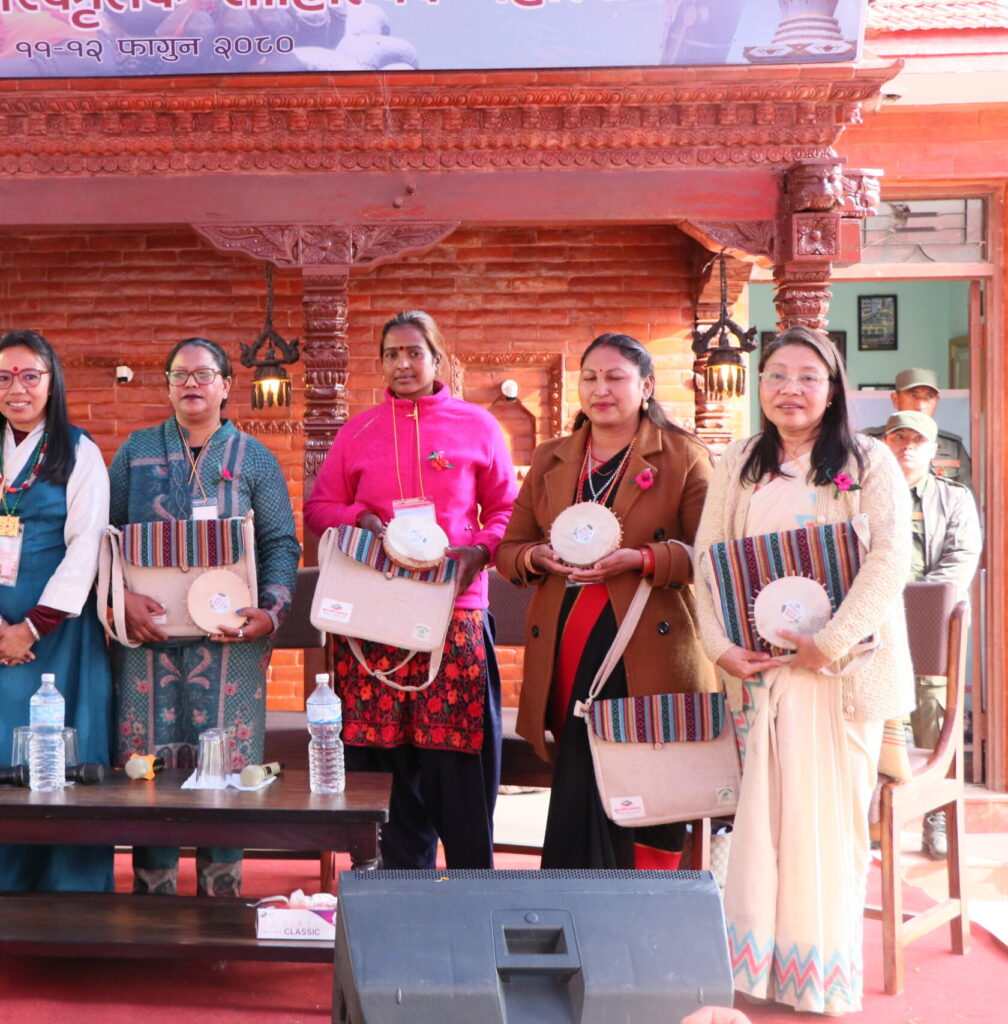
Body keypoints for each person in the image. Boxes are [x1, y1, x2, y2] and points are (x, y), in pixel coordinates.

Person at [694, 326, 913, 1016]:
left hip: (839, 678)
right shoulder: (739, 461)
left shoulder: (869, 460)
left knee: (825, 830)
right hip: (758, 676)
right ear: (760, 386)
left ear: (834, 389)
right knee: (761, 828)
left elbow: (890, 560)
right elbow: (706, 558)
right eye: (777, 375)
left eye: (808, 377)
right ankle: (757, 970)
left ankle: (818, 978)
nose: (790, 389)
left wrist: (832, 642)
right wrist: (719, 647)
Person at [304, 310, 518, 871]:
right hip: (373, 615)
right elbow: (320, 507)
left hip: (454, 610)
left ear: (437, 358)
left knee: (459, 765)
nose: (403, 363)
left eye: (414, 352)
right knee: (382, 766)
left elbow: (508, 510)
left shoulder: (478, 425)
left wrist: (480, 551)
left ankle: (473, 894)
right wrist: (361, 519)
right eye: (391, 354)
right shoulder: (359, 431)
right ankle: (395, 896)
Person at [494, 333, 715, 870]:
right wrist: (538, 557)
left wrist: (643, 559)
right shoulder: (551, 457)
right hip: (566, 638)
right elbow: (508, 548)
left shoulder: (683, 456)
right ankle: (572, 902)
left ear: (646, 387)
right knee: (580, 771)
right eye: (590, 378)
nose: (601, 390)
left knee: (646, 774)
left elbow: (711, 556)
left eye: (616, 378)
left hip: (646, 642)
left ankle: (644, 906)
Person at [107, 337, 300, 896]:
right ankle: (153, 896)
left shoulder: (255, 458)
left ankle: (222, 897)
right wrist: (120, 601)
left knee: (228, 769)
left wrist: (271, 612)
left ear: (225, 386)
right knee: (149, 768)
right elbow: (104, 537)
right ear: (167, 385)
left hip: (230, 641)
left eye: (203, 374)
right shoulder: (135, 453)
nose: (191, 384)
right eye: (180, 374)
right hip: (147, 637)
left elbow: (281, 543)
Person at [0, 329, 114, 902]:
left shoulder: (79, 451)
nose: (18, 389)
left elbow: (86, 545)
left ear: (51, 382)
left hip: (58, 632)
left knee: (65, 756)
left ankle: (67, 895)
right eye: (4, 377)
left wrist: (32, 627)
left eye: (31, 376)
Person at [881, 408, 981, 859]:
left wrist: (918, 608)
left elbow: (961, 558)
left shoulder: (953, 497)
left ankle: (935, 819)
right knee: (880, 721)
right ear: (886, 443)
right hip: (875, 625)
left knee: (933, 718)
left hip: (930, 626)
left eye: (917, 440)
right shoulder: (863, 493)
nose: (907, 446)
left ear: (933, 448)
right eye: (899, 437)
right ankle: (876, 817)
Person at [862, 367, 972, 485]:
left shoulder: (952, 447)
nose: (921, 405)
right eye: (914, 395)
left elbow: (964, 491)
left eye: (929, 396)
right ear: (895, 399)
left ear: (937, 401)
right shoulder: (868, 442)